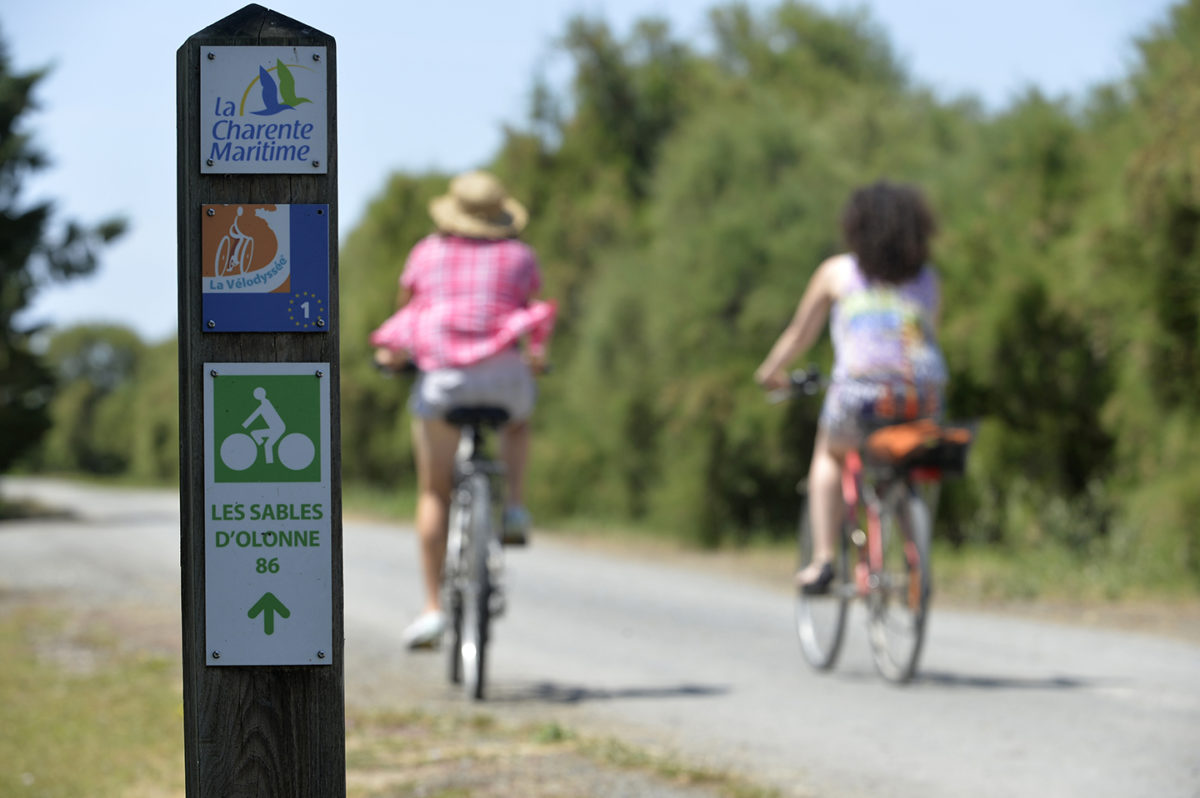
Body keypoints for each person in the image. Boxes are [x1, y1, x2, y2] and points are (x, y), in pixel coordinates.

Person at [370, 170, 555, 648]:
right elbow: (532, 323)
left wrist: (392, 358)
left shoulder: (426, 252)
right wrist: (536, 361)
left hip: (444, 381)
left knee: (434, 492)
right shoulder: (521, 256)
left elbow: (404, 316)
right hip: (504, 380)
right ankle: (514, 506)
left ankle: (433, 608)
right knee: (518, 421)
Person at [755, 180, 946, 593]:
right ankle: (917, 563)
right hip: (923, 395)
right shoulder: (929, 279)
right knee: (901, 466)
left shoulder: (838, 272)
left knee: (829, 454)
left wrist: (771, 371)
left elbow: (799, 335)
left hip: (859, 393)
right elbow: (930, 337)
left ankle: (823, 561)